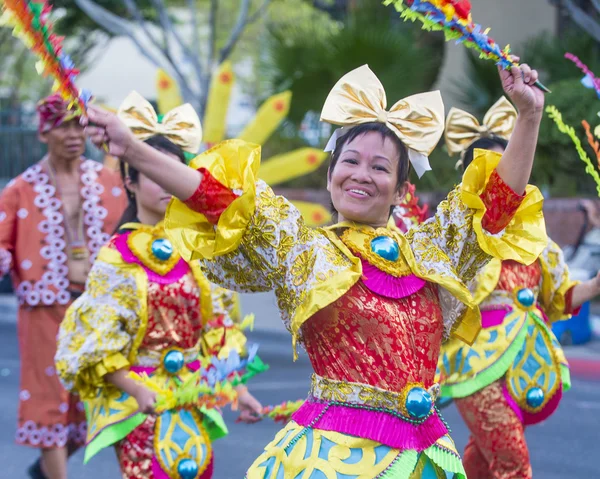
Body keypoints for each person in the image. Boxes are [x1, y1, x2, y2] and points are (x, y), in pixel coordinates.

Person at [82, 62, 546, 478]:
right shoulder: (304, 251)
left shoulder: (431, 253)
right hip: (333, 458)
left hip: (424, 457)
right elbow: (218, 199)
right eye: (350, 161)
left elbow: (497, 203)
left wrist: (528, 116)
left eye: (380, 167)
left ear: (402, 190)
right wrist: (134, 151)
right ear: (330, 177)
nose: (362, 174)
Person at [55, 92, 264, 479]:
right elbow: (97, 341)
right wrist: (135, 389)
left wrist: (238, 390)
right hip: (141, 406)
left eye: (173, 171)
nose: (165, 183)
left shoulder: (198, 250)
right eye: (152, 172)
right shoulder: (115, 257)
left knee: (196, 471)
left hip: (193, 397)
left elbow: (217, 326)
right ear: (129, 183)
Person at [437, 96, 600, 479]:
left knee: (482, 460)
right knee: (512, 462)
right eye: (492, 171)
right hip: (476, 361)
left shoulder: (536, 239)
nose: (505, 179)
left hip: (527, 362)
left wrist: (594, 285)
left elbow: (559, 298)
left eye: (513, 165)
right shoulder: (458, 236)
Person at [0, 94, 126, 479]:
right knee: (46, 402)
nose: (73, 135)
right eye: (63, 126)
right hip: (44, 309)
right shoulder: (19, 190)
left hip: (101, 309)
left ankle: (44, 470)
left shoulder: (110, 182)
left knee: (99, 403)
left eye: (78, 125)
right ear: (43, 132)